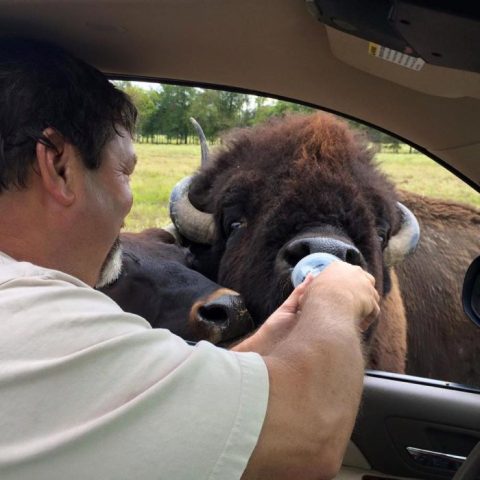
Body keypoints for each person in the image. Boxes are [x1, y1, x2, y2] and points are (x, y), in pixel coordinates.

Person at [0, 38, 380, 480]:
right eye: (124, 172)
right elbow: (309, 439)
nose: (129, 204)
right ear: (60, 166)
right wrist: (336, 296)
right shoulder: (42, 325)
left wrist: (265, 341)